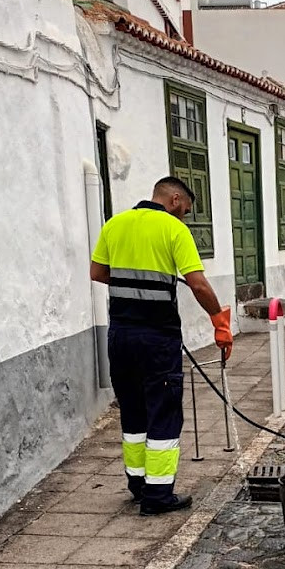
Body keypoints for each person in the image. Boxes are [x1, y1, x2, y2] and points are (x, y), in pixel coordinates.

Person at [90, 176, 233, 515]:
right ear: (172, 200)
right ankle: (157, 495)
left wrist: (134, 281)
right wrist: (219, 321)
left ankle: (138, 485)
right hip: (157, 337)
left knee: (134, 411)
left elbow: (97, 272)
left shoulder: (115, 224)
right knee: (164, 412)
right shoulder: (173, 230)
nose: (183, 217)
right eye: (183, 210)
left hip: (121, 336)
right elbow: (197, 284)